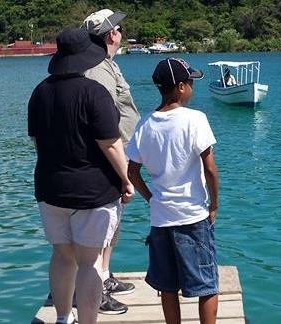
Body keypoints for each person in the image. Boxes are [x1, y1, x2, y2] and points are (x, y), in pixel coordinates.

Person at [27, 28, 134, 324]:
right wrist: (126, 180)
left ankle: (63, 318)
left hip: (50, 188)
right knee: (89, 263)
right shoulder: (94, 92)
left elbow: (37, 142)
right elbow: (111, 144)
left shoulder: (40, 92)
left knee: (62, 256)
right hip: (93, 191)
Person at [127, 58, 220, 324]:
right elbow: (210, 169)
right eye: (190, 82)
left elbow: (132, 172)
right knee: (207, 283)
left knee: (167, 286)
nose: (192, 87)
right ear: (180, 87)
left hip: (161, 219)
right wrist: (213, 205)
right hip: (192, 216)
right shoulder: (195, 119)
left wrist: (152, 199)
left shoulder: (144, 124)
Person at [82, 8, 140, 315]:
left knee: (112, 223)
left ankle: (105, 275)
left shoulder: (106, 64)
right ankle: (97, 286)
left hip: (118, 152)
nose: (120, 32)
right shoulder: (98, 69)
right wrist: (118, 165)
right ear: (111, 35)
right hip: (108, 156)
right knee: (103, 226)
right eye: (117, 29)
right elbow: (101, 120)